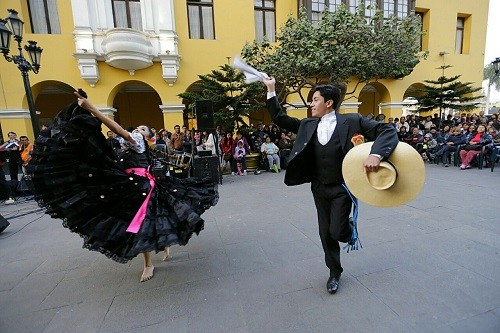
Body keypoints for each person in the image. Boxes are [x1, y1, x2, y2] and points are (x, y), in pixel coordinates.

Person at [30, 90, 218, 282]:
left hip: (142, 188)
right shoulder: (123, 146)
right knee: (143, 221)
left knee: (140, 224)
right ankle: (162, 248)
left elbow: (117, 129)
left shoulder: (136, 141)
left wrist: (92, 108)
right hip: (128, 186)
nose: (138, 129)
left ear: (148, 137)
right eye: (137, 127)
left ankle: (148, 264)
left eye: (143, 129)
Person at [262, 77, 398, 294]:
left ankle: (347, 230)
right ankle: (334, 272)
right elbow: (279, 118)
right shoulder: (307, 125)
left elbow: (387, 130)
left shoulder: (352, 121)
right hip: (318, 187)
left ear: (329, 103)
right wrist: (270, 89)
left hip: (342, 188)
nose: (311, 104)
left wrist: (376, 154)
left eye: (315, 100)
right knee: (325, 234)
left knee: (337, 230)